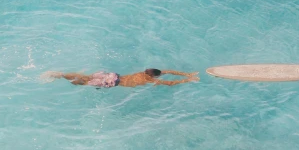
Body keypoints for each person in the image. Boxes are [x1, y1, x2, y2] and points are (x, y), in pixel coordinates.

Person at [41, 68, 199, 88]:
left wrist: (187, 74)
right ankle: (61, 76)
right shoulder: (150, 80)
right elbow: (170, 82)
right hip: (113, 82)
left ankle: (62, 74)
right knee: (83, 83)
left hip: (112, 75)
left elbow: (168, 71)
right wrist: (187, 79)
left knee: (87, 77)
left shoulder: (145, 74)